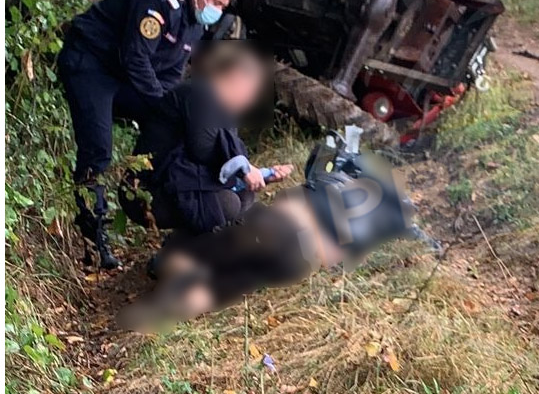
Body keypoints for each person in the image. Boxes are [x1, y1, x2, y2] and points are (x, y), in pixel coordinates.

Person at [117, 129, 441, 332]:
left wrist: (336, 145)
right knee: (230, 282)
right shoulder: (388, 215)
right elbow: (416, 241)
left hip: (281, 227)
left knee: (219, 246)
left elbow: (321, 156)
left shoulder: (339, 172)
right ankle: (158, 316)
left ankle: (165, 275)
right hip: (301, 263)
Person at [59, 0, 237, 268]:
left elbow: (170, 73)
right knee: (98, 151)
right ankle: (94, 238)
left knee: (178, 125)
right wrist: (162, 104)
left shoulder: (195, 23)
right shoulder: (157, 2)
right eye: (217, 3)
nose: (218, 11)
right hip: (91, 66)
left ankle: (168, 206)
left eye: (223, 6)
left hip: (123, 77)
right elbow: (136, 59)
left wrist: (169, 111)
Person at [134, 42, 293, 236]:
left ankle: (189, 249)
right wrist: (245, 169)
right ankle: (183, 255)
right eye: (252, 91)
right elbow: (203, 149)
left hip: (178, 185)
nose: (251, 100)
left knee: (244, 195)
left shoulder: (225, 111)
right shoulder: (199, 93)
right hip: (145, 189)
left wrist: (261, 175)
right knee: (226, 203)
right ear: (236, 77)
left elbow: (226, 164)